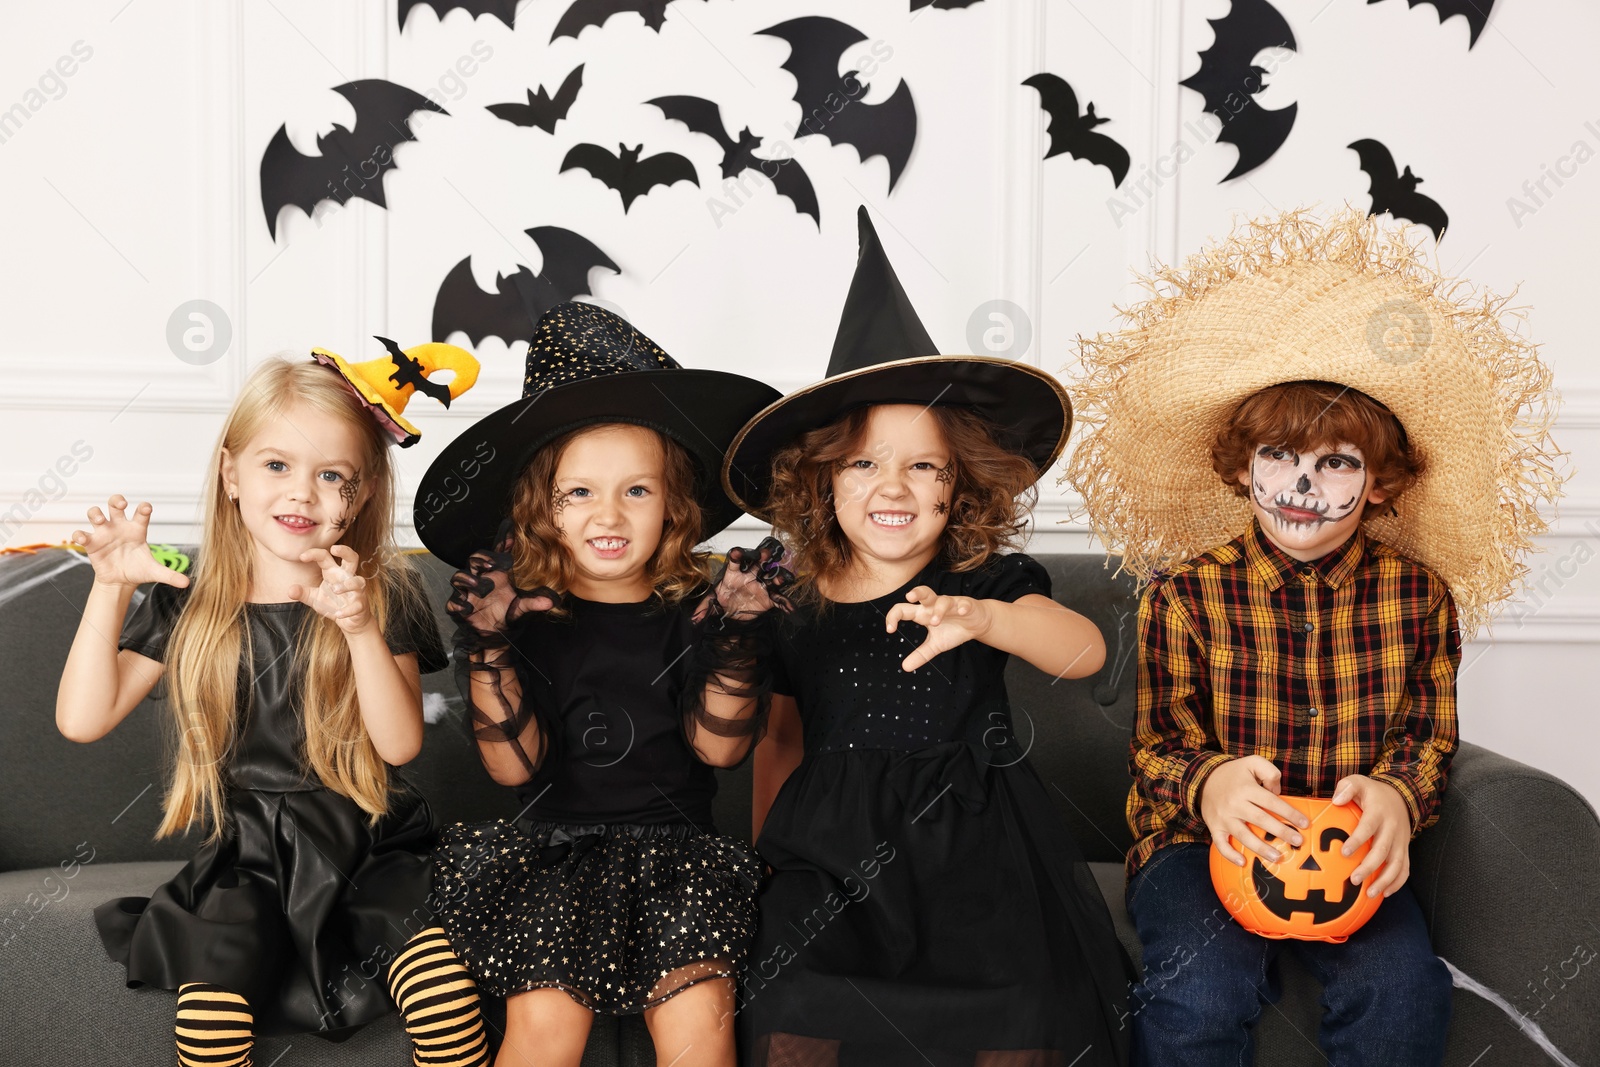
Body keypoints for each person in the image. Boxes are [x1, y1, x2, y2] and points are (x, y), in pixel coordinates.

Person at [1064, 206, 1565, 1066]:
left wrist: (1399, 798)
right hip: (1201, 843)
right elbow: (1160, 743)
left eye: (1335, 462)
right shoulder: (1186, 592)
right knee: (1198, 986)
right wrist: (1212, 784)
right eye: (1278, 456)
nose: (1302, 483)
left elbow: (1426, 735)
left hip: (1345, 841)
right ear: (1240, 464)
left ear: (1379, 484)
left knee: (1403, 988)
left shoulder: (1416, 596)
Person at [725, 208, 1133, 1066]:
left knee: (1027, 995)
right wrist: (765, 857)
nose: (893, 486)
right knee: (790, 991)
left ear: (960, 485)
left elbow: (1085, 651)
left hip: (974, 840)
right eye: (864, 464)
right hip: (828, 848)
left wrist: (987, 619)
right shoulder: (794, 596)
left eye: (923, 465)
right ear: (823, 483)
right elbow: (781, 738)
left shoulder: (982, 581)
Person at [56, 342, 495, 1066]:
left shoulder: (381, 594)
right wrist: (111, 586)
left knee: (446, 998)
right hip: (247, 859)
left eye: (332, 476)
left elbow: (400, 745)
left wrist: (355, 627)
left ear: (358, 497)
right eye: (276, 465)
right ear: (230, 473)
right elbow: (82, 718)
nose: (302, 493)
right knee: (210, 1017)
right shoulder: (189, 602)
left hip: (374, 850)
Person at [413, 301, 785, 1067]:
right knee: (544, 1033)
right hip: (552, 858)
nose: (607, 514)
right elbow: (513, 766)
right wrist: (489, 648)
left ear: (676, 505)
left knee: (700, 1032)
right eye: (578, 492)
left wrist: (736, 641)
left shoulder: (700, 611)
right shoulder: (515, 617)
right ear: (539, 508)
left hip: (681, 860)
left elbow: (718, 752)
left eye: (637, 491)